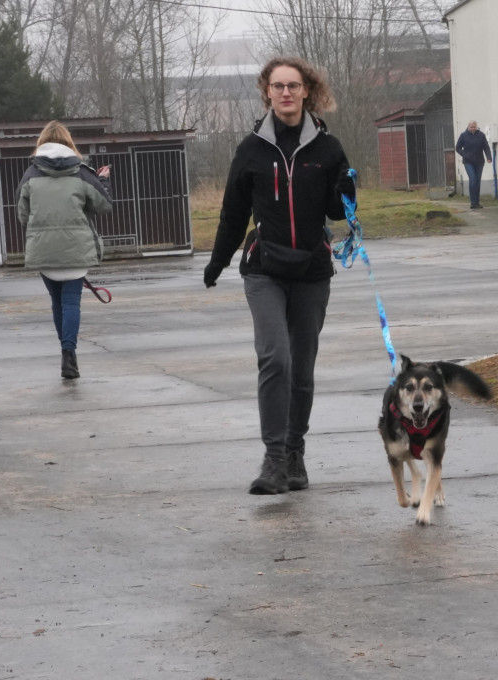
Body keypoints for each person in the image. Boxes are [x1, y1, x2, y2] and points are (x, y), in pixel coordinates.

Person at [203, 56, 354, 495]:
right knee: (276, 358)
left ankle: (294, 453)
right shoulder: (251, 149)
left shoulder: (328, 149)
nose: (285, 93)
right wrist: (217, 262)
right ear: (266, 92)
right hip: (264, 269)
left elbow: (335, 211)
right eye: (277, 86)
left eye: (293, 85)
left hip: (312, 270)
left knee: (302, 369)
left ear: (307, 90)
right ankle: (272, 459)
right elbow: (233, 213)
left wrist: (347, 193)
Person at [17, 121, 112, 379]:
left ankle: (65, 350)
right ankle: (69, 355)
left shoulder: (30, 174)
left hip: (44, 250)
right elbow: (104, 205)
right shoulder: (82, 172)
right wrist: (103, 181)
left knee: (57, 303)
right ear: (69, 142)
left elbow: (23, 215)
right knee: (71, 303)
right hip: (76, 248)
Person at [456, 120, 492, 209]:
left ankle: (477, 202)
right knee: (472, 179)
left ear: (476, 127)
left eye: (474, 127)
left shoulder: (481, 135)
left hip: (479, 162)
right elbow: (458, 148)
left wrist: (489, 157)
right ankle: (473, 202)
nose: (473, 129)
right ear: (468, 127)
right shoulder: (463, 135)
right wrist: (465, 155)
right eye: (471, 127)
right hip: (468, 161)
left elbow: (486, 147)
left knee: (477, 181)